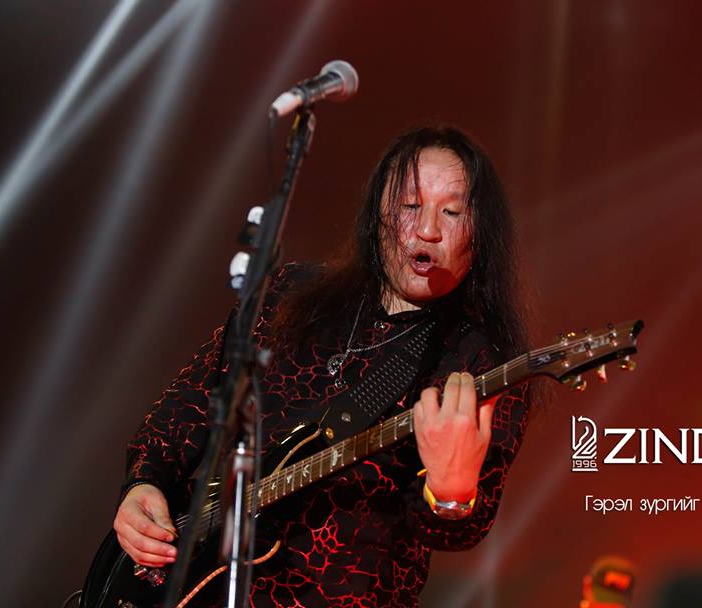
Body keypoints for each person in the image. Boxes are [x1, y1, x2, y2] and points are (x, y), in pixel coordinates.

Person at [112, 125, 532, 607]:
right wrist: (143, 483)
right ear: (378, 213)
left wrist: (451, 490)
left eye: (452, 212)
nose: (427, 229)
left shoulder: (480, 362)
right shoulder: (290, 294)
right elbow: (187, 406)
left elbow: (456, 531)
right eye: (410, 205)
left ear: (480, 235)